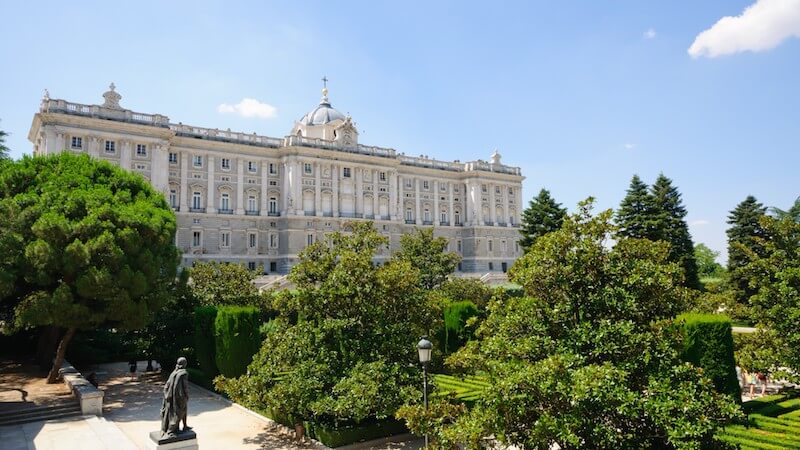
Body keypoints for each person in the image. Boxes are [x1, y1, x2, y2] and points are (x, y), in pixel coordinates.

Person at [160, 357, 190, 438]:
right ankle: (171, 431)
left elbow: (167, 384)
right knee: (179, 412)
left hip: (171, 396)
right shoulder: (183, 373)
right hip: (179, 397)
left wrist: (166, 395)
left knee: (183, 411)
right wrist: (187, 395)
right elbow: (185, 386)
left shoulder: (174, 372)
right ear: (184, 364)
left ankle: (185, 426)